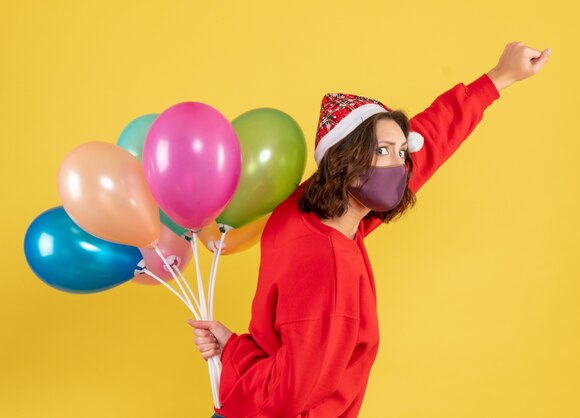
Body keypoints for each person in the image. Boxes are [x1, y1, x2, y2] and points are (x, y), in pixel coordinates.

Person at [188, 41, 550, 418]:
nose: (399, 165)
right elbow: (288, 398)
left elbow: (429, 142)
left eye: (400, 151)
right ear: (345, 160)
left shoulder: (306, 211)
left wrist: (498, 79)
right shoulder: (329, 267)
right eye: (382, 151)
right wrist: (235, 354)